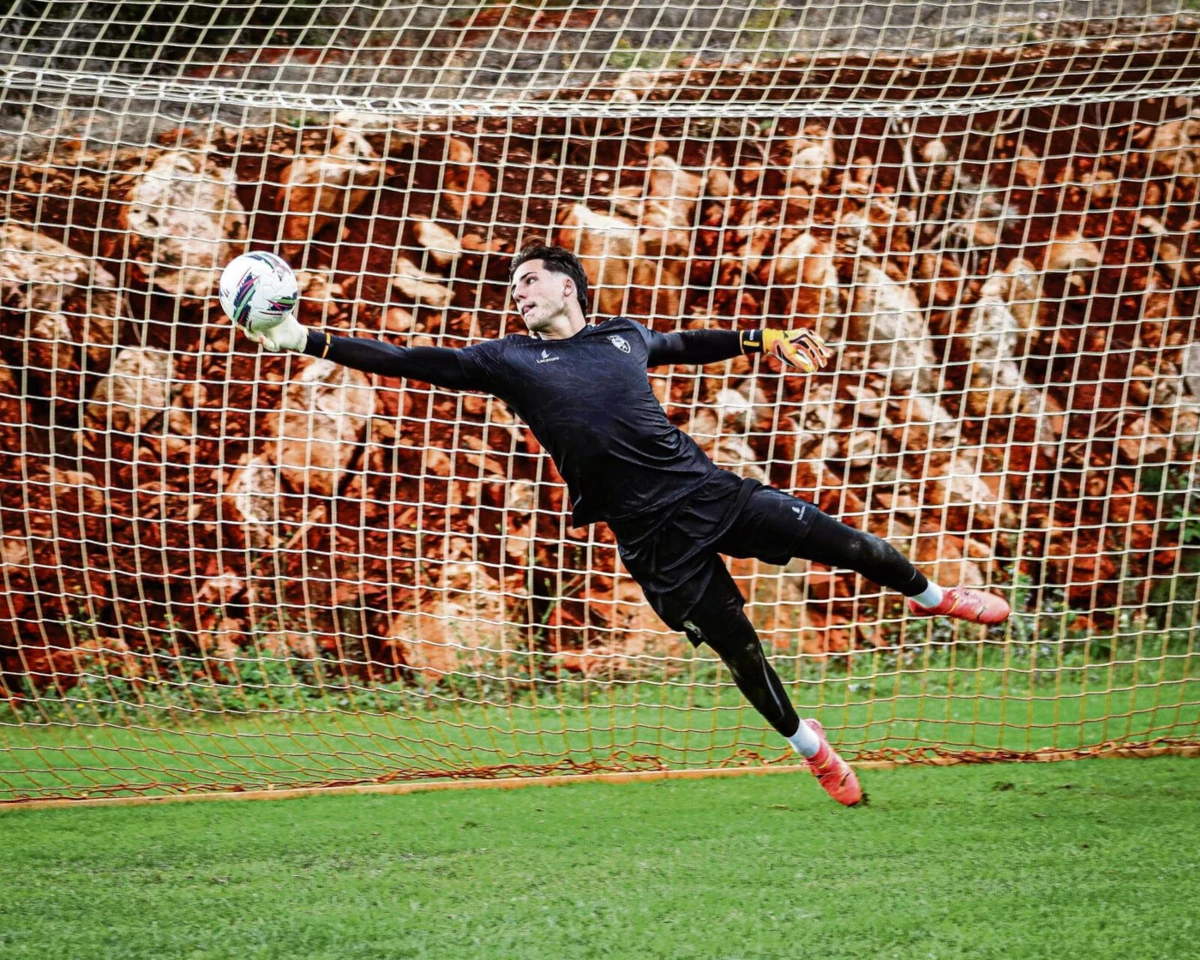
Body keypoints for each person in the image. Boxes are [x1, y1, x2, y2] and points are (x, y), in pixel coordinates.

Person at [240, 243, 1010, 807]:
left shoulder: (623, 336)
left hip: (712, 493)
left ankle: (932, 595)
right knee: (740, 650)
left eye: (530, 281)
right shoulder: (506, 359)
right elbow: (412, 359)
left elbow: (688, 344)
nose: (518, 294)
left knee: (850, 545)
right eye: (513, 288)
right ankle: (811, 749)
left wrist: (761, 338)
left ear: (570, 286)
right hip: (651, 541)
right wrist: (305, 338)